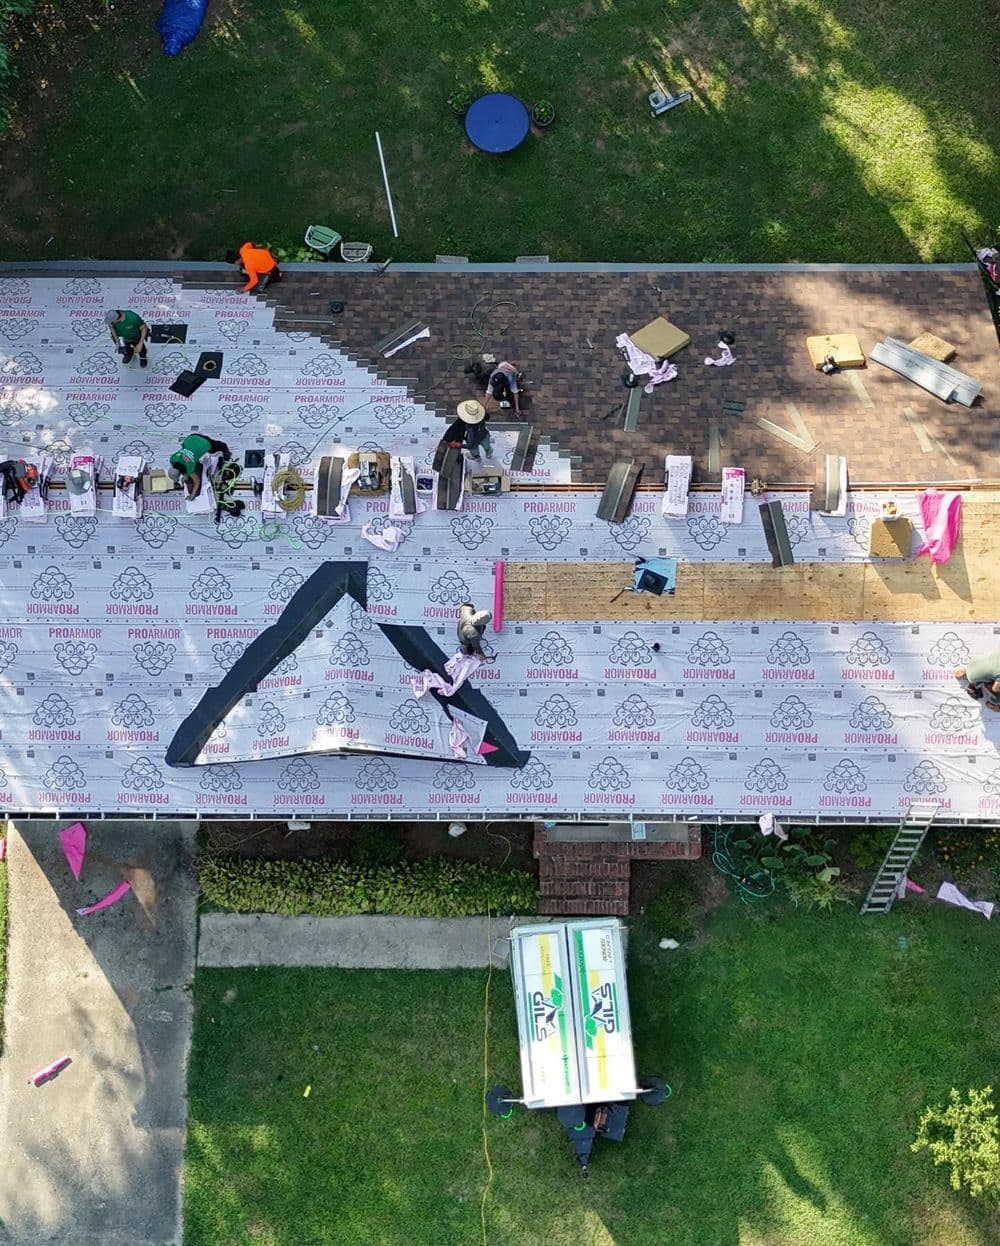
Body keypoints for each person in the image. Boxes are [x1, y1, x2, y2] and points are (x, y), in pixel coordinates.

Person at [168, 433, 232, 499]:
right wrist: (185, 474)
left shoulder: (190, 466)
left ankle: (226, 452)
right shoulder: (172, 458)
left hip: (204, 443)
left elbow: (197, 481)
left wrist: (192, 496)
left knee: (218, 446)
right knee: (186, 446)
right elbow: (180, 465)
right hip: (190, 438)